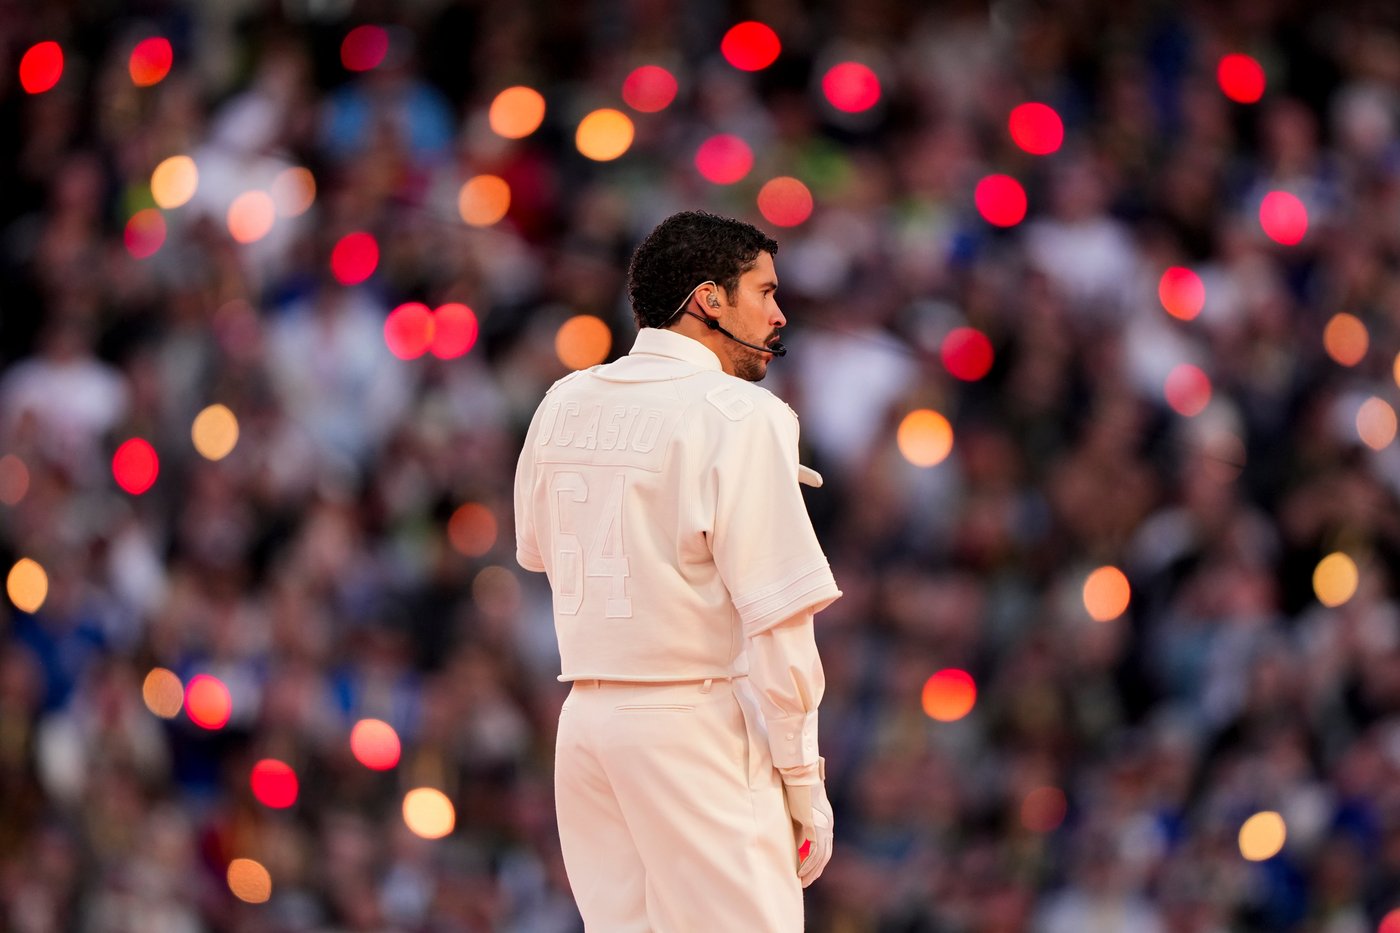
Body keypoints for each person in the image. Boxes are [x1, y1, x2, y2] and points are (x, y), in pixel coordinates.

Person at [513, 210, 841, 930]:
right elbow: (781, 621)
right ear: (708, 299)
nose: (779, 315)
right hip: (691, 725)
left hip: (587, 727)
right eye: (765, 292)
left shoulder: (561, 401)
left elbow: (537, 551)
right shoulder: (743, 415)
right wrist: (802, 775)